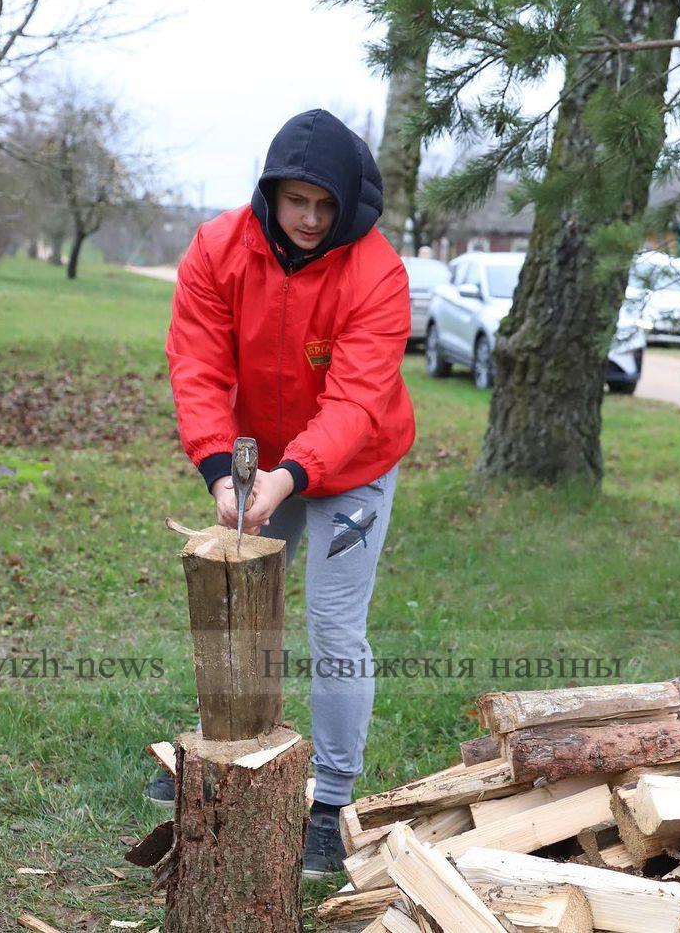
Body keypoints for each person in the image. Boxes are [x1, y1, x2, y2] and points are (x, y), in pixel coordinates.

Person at [152, 108, 416, 877]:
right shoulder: (217, 246)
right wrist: (215, 467)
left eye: (324, 204)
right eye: (295, 200)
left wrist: (290, 477)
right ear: (271, 192)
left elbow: (357, 400)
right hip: (255, 453)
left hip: (353, 462)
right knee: (236, 600)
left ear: (347, 204)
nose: (307, 218)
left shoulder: (377, 273)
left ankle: (332, 800)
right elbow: (196, 362)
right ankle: (223, 756)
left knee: (333, 624)